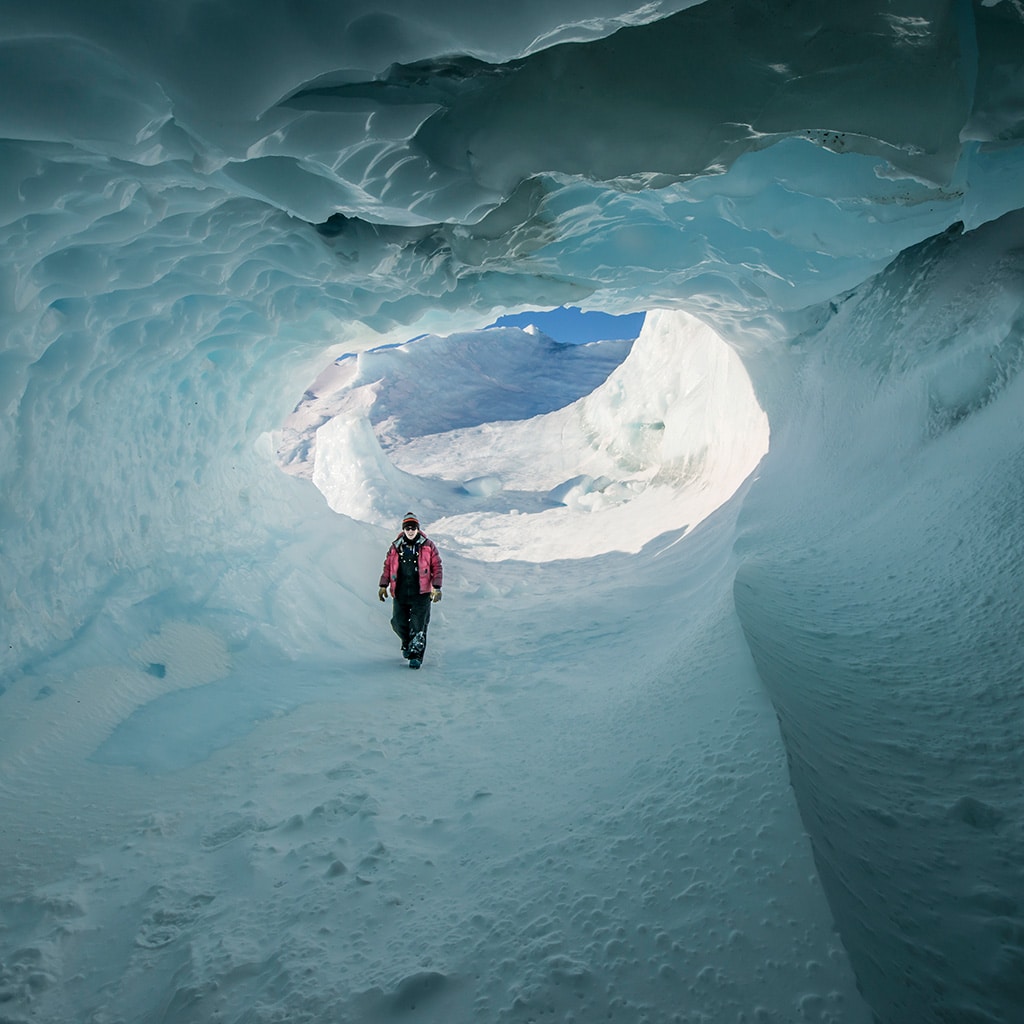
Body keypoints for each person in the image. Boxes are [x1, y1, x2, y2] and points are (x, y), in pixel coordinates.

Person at [378, 512, 443, 669]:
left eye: (413, 528)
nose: (411, 531)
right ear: (403, 529)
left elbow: (437, 566)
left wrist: (436, 587)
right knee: (397, 622)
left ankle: (416, 656)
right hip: (400, 591)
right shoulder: (396, 546)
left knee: (418, 624)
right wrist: (383, 585)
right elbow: (387, 566)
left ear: (418, 528)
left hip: (421, 592)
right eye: (408, 528)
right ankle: (407, 643)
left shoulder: (427, 546)